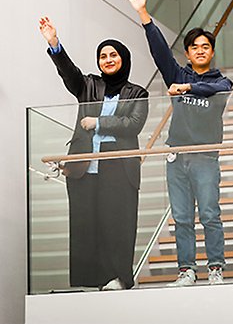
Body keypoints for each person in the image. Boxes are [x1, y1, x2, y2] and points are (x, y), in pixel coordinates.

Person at [125, 0, 233, 287]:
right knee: (182, 217)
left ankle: (215, 269)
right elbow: (159, 51)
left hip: (206, 157)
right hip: (176, 157)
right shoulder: (177, 73)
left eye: (205, 46)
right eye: (195, 46)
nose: (200, 50)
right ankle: (186, 270)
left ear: (211, 52)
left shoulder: (220, 80)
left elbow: (219, 90)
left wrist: (186, 89)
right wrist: (144, 15)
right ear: (187, 53)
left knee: (210, 214)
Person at [37, 16, 149, 291]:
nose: (108, 59)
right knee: (85, 223)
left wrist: (99, 123)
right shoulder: (88, 86)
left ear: (123, 58)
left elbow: (133, 125)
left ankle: (119, 278)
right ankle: (89, 279)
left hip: (117, 165)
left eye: (113, 55)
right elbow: (69, 73)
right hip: (85, 165)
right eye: (103, 56)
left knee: (117, 223)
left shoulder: (138, 92)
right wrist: (55, 44)